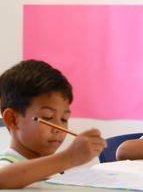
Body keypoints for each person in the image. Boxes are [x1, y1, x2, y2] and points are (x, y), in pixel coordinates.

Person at [0, 60, 106, 189]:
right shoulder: (7, 164)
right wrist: (69, 158)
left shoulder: (54, 169)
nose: (59, 128)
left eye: (64, 119)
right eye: (47, 117)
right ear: (12, 119)